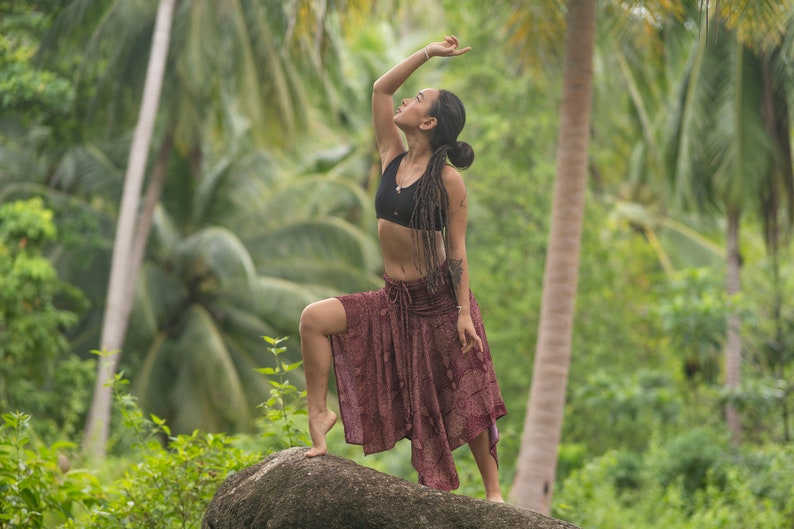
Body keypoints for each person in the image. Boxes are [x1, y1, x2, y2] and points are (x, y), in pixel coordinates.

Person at [299, 35, 507, 502]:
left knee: (468, 395)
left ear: (429, 122)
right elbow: (380, 90)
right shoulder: (392, 155)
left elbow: (457, 252)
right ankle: (319, 415)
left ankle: (494, 492)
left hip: (437, 303)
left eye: (419, 99)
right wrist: (428, 53)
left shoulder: (448, 180)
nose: (408, 100)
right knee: (314, 318)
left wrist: (461, 312)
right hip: (394, 301)